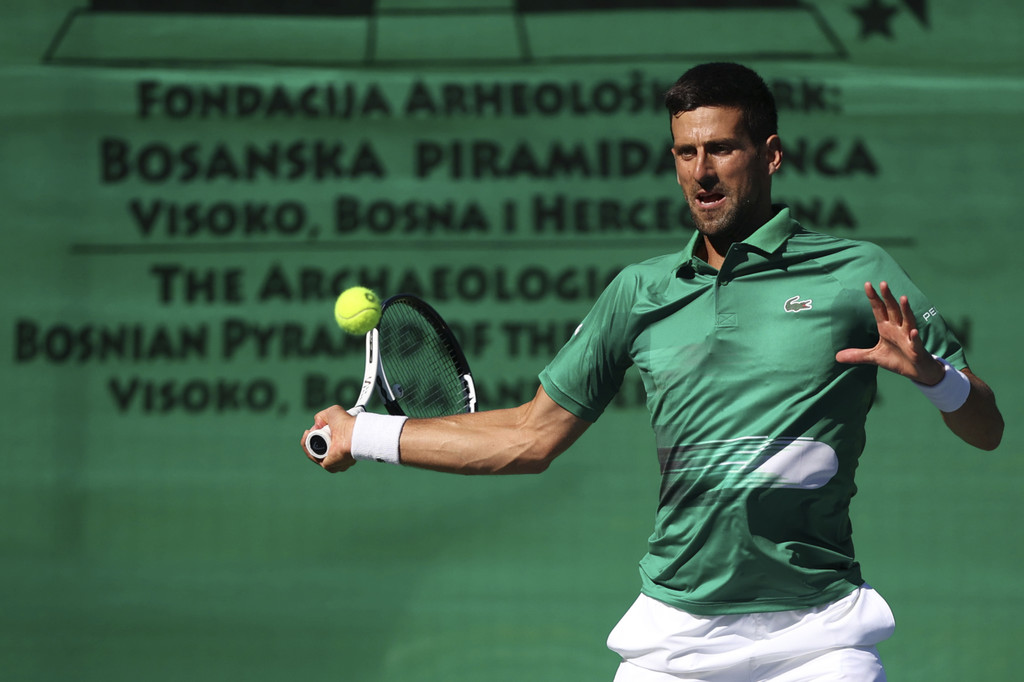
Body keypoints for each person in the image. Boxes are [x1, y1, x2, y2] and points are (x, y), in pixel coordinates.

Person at [301, 63, 1003, 680]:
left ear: (770, 155)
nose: (702, 171)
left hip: (820, 640)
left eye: (722, 149)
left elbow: (987, 427)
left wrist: (933, 377)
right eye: (686, 152)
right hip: (673, 642)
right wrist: (365, 435)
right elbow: (528, 437)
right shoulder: (639, 291)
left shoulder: (858, 273)